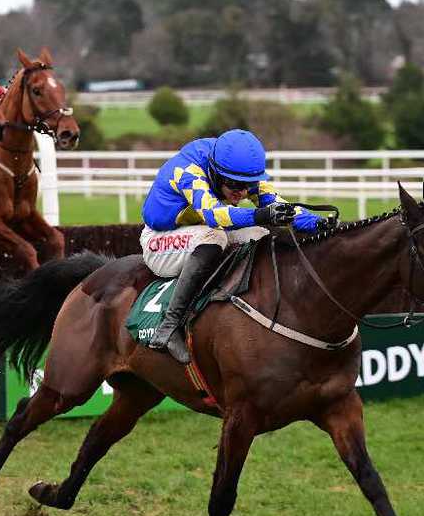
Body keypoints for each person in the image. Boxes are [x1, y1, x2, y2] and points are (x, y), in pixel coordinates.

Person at [140, 129, 332, 364]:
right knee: (215, 237)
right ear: (215, 172)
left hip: (200, 230)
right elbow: (215, 215)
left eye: (247, 185)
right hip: (159, 239)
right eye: (234, 185)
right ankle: (168, 327)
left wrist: (317, 223)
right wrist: (262, 214)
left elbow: (280, 206)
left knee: (261, 234)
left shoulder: (243, 172)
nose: (241, 192)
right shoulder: (188, 172)